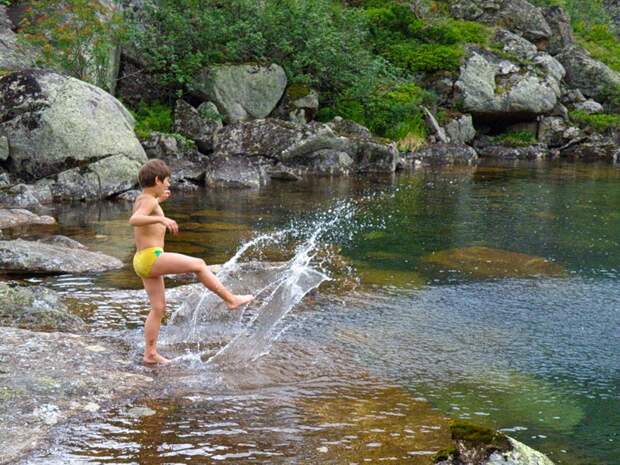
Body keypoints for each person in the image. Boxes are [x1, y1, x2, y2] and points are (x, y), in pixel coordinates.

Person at [129, 159, 254, 364]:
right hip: (151, 257)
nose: (169, 184)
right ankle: (231, 300)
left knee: (158, 308)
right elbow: (135, 220)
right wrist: (162, 218)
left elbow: (144, 211)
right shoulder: (148, 202)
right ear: (158, 180)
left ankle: (150, 354)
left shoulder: (145, 198)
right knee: (199, 264)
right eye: (167, 181)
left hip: (142, 260)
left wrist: (159, 203)